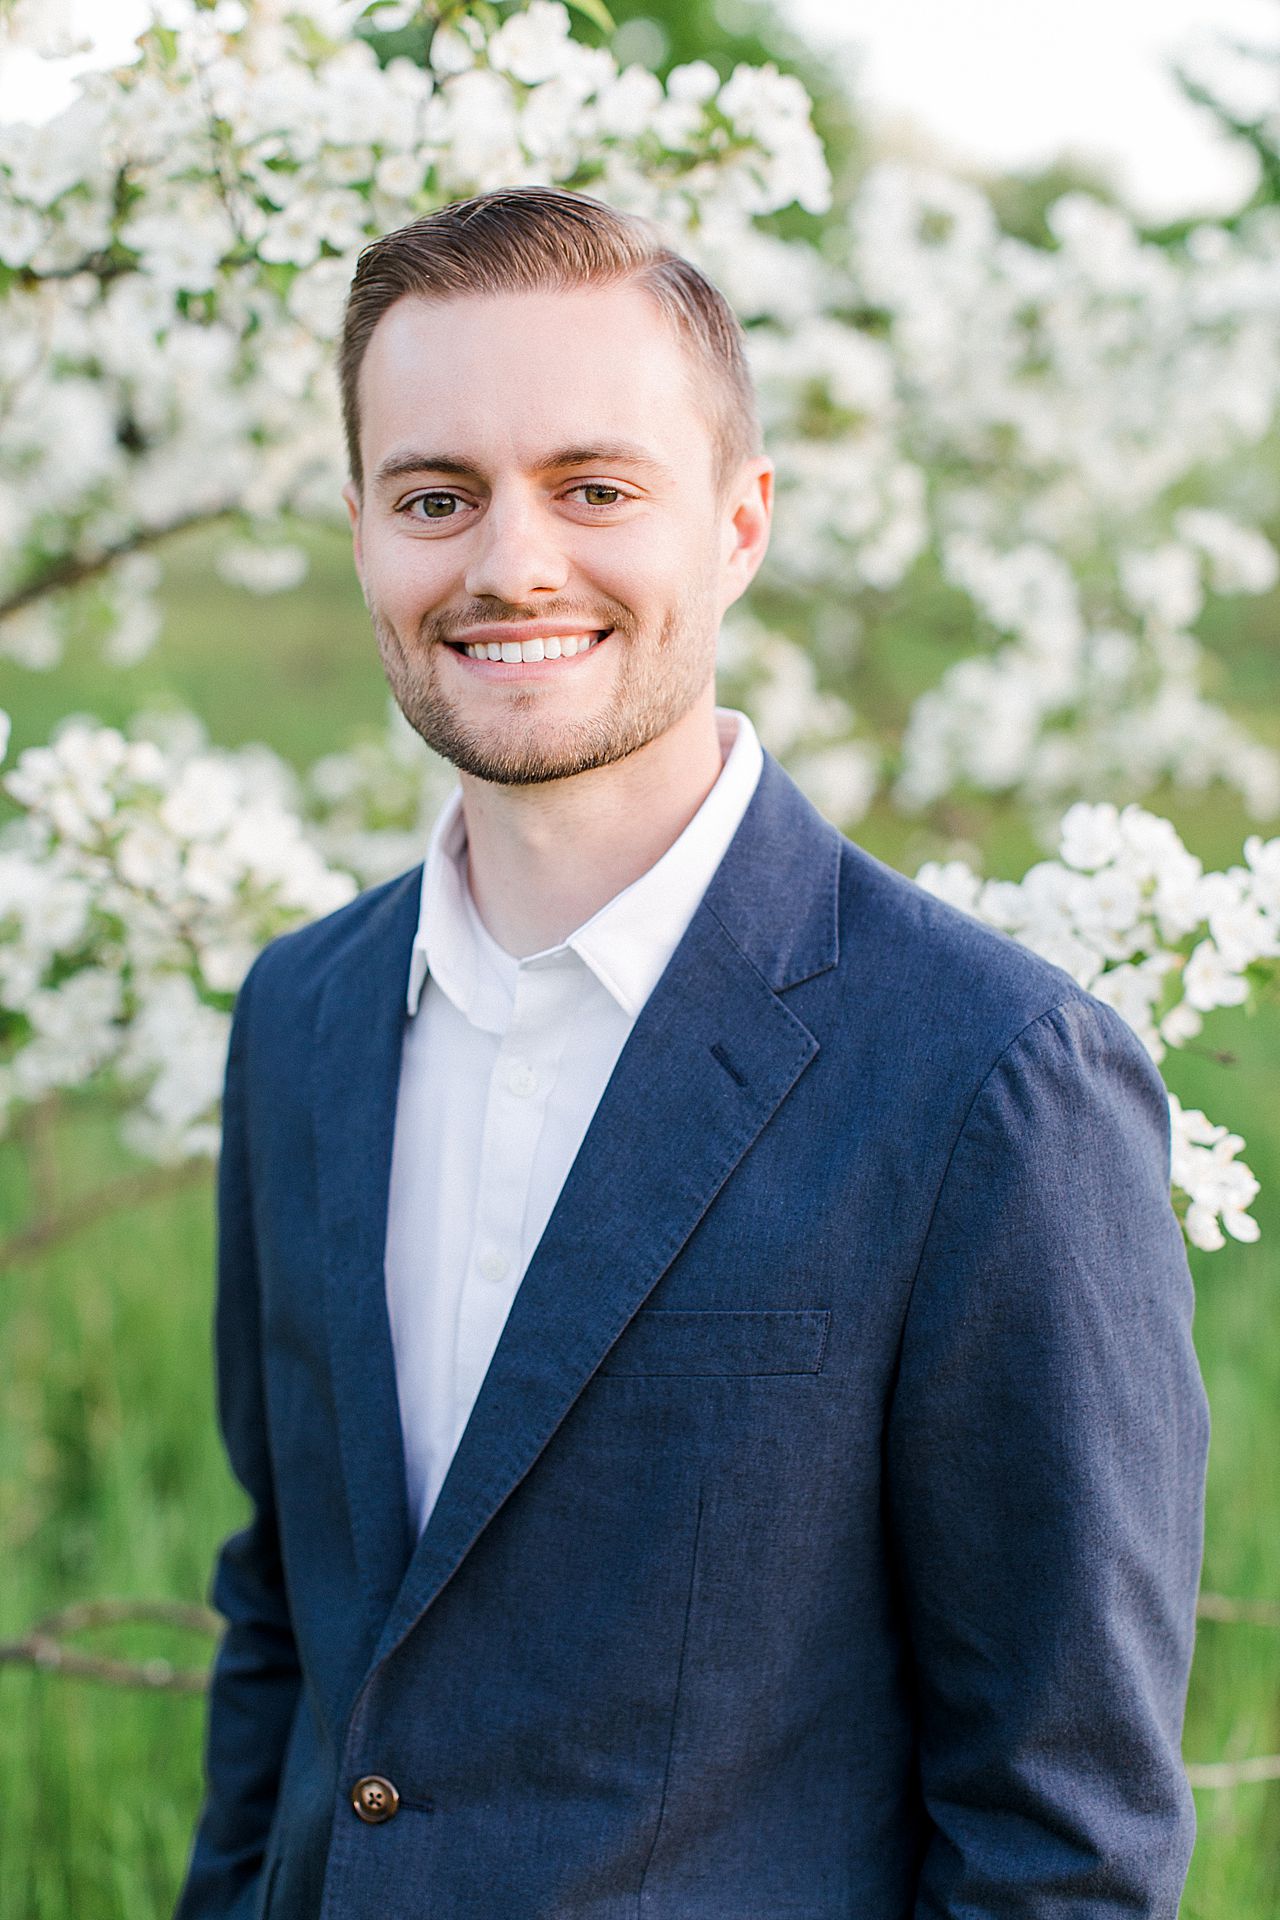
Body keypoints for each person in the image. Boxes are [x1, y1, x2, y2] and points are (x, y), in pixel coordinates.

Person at [175, 186, 1209, 1920]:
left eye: (595, 488)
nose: (510, 564)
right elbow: (285, 1619)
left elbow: (1066, 1839)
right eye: (436, 496)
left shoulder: (997, 1082)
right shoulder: (302, 1015)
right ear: (359, 532)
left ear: (739, 525)